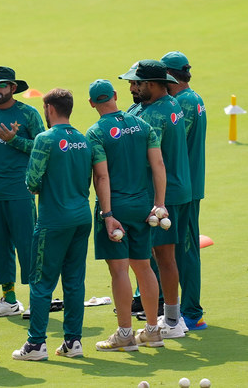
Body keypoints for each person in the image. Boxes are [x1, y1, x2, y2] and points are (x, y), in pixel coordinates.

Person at [85, 80, 167, 352]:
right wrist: (159, 204)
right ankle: (153, 331)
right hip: (142, 207)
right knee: (144, 266)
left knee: (119, 270)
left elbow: (102, 175)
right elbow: (158, 164)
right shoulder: (142, 126)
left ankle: (124, 334)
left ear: (92, 103)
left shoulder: (96, 132)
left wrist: (107, 213)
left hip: (116, 209)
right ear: (116, 96)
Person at [12, 88, 92, 361]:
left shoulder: (45, 139)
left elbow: (32, 182)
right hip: (81, 217)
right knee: (74, 282)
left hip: (53, 220)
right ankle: (73, 342)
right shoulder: (83, 139)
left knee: (41, 282)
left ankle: (36, 345)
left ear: (49, 109)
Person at [120, 60, 192, 339]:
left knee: (163, 256)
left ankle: (172, 321)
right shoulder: (171, 105)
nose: (131, 88)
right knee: (163, 255)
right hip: (177, 190)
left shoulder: (153, 116)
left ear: (151, 84)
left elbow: (142, 157)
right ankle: (170, 316)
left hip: (164, 195)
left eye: (135, 83)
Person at [0, 66, 45, 318]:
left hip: (21, 191)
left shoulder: (28, 114)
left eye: (1, 85)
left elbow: (42, 146)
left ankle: (37, 298)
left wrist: (16, 140)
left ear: (13, 88)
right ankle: (9, 299)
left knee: (28, 245)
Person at [161, 51, 208, 331]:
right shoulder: (193, 98)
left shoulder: (184, 103)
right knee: (178, 249)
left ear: (168, 76)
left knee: (186, 251)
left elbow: (173, 140)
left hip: (183, 188)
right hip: (188, 184)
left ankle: (192, 312)